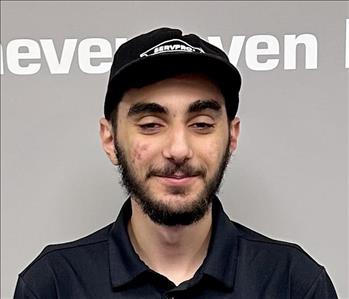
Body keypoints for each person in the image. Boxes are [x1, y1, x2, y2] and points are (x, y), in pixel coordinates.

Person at [14, 27, 338, 299]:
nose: (179, 149)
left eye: (201, 124)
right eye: (151, 124)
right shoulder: (53, 284)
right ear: (110, 139)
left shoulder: (294, 282)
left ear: (232, 136)